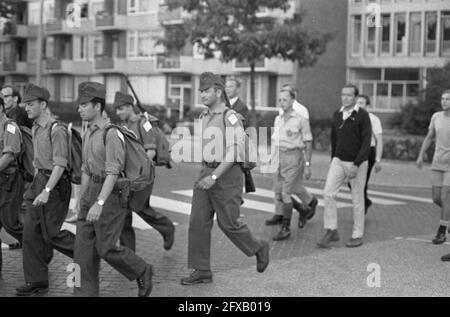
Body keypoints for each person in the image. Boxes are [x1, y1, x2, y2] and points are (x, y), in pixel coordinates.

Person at [180, 72, 269, 286]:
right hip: (207, 173)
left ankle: (258, 248)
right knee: (197, 223)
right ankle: (202, 270)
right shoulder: (205, 116)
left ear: (218, 92)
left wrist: (214, 175)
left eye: (206, 91)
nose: (201, 94)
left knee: (229, 223)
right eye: (200, 91)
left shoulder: (230, 117)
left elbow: (235, 150)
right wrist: (206, 172)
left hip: (226, 176)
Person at [73, 82, 153, 297]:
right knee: (81, 251)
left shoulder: (111, 134)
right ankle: (82, 294)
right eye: (79, 105)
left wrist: (99, 202)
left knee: (106, 247)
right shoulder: (88, 132)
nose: (79, 108)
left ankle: (142, 269)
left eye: (84, 105)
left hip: (110, 195)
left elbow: (113, 171)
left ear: (98, 106)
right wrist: (81, 200)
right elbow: (86, 170)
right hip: (91, 192)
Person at [16, 84, 76, 296]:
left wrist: (47, 190)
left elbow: (60, 164)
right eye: (25, 105)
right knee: (30, 234)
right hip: (40, 180)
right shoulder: (35, 127)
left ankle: (87, 253)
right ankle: (37, 281)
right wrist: (36, 186)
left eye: (30, 104)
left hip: (55, 184)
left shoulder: (56, 129)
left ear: (43, 104)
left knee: (52, 234)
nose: (26, 108)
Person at [114, 91, 175, 251]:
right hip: (127, 177)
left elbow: (151, 151)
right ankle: (128, 252)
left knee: (139, 207)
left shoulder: (143, 123)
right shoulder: (123, 126)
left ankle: (167, 227)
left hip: (143, 175)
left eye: (120, 109)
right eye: (117, 109)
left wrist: (141, 174)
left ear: (129, 107)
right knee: (123, 212)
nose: (117, 113)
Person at [317, 85, 372, 249]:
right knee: (328, 193)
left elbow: (366, 142)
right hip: (338, 161)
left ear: (355, 97)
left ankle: (357, 235)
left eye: (349, 95)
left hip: (357, 163)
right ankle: (332, 230)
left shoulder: (362, 115)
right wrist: (333, 159)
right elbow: (334, 139)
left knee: (357, 199)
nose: (345, 98)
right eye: (343, 94)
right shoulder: (337, 113)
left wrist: (356, 164)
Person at [266, 84, 318, 229]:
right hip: (280, 156)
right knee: (279, 191)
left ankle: (286, 227)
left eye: (285, 100)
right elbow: (276, 138)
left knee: (286, 193)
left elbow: (308, 142)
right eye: (280, 100)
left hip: (294, 157)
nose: (281, 103)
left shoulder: (301, 118)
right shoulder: (279, 118)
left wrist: (308, 165)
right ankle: (303, 208)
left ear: (293, 100)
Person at [417, 90, 450, 248]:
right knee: (436, 198)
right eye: (443, 99)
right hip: (437, 162)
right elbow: (430, 137)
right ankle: (447, 215)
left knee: (446, 197)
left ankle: (442, 231)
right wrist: (421, 155)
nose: (444, 102)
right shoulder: (436, 117)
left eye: (448, 99)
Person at [0, 96, 25, 275]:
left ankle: (38, 248)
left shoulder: (10, 127)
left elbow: (9, 156)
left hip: (9, 180)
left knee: (11, 223)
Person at [355, 95, 383, 214]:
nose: (358, 105)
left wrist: (378, 160)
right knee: (351, 182)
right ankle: (365, 201)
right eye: (357, 103)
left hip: (368, 152)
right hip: (354, 151)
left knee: (362, 181)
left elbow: (379, 140)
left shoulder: (373, 119)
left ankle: (361, 209)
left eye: (361, 103)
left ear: (367, 106)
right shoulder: (352, 117)